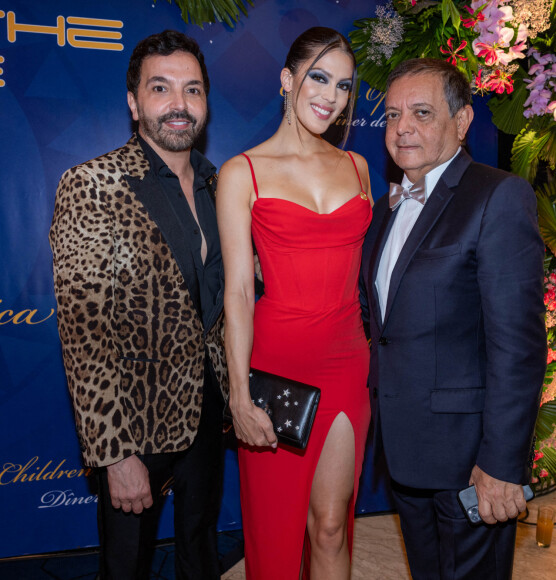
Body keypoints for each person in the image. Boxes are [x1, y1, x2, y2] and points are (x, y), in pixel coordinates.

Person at [49, 30, 227, 580]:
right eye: (161, 88)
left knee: (201, 553)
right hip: (134, 425)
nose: (179, 104)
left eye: (192, 89)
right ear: (134, 102)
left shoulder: (221, 185)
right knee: (126, 567)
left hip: (209, 411)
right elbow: (85, 335)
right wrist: (114, 454)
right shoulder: (91, 185)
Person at [360, 57, 547, 579]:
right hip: (404, 453)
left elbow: (520, 347)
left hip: (471, 463)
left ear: (462, 122)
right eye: (394, 115)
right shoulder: (385, 210)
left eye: (421, 112)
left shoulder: (497, 196)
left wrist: (502, 465)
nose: (403, 128)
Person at [217, 26, 372, 580]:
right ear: (287, 80)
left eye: (345, 86)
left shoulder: (359, 168)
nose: (331, 96)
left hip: (349, 361)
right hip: (280, 364)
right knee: (277, 532)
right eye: (319, 78)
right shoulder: (243, 172)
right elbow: (238, 290)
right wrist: (239, 393)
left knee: (331, 525)